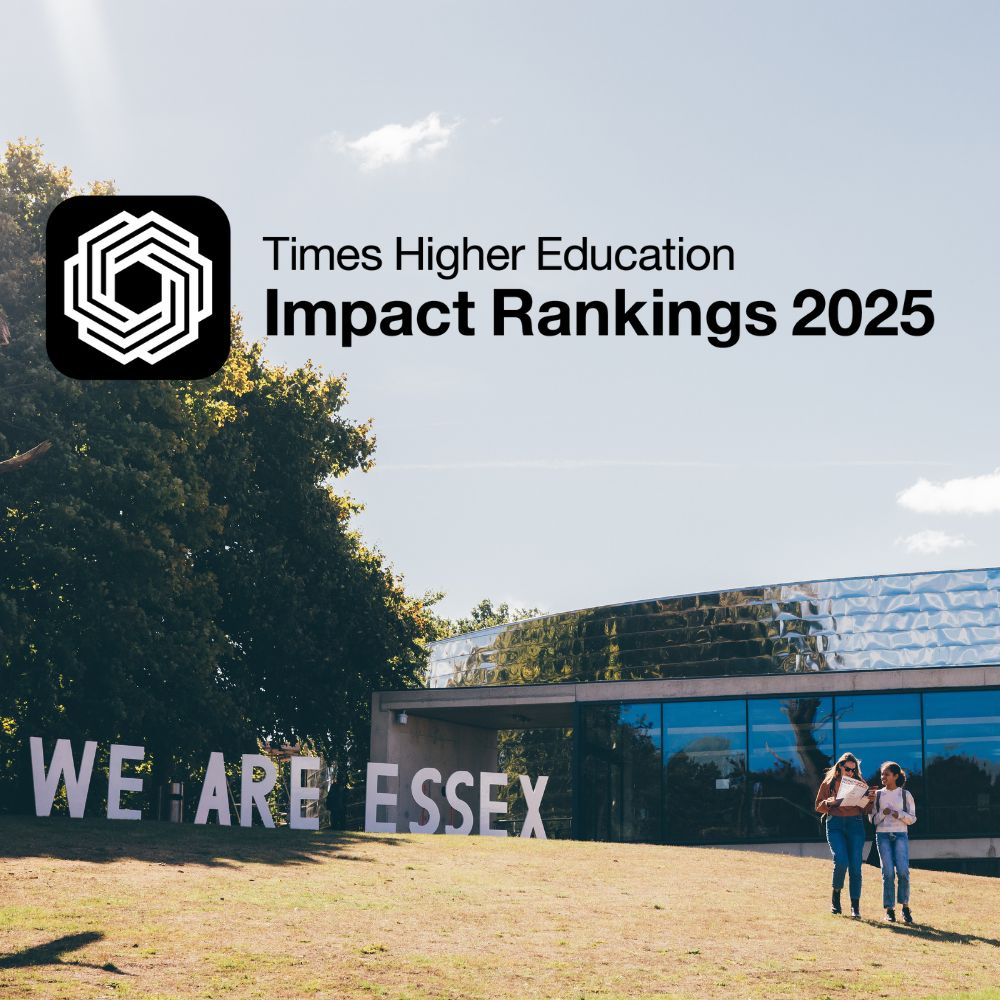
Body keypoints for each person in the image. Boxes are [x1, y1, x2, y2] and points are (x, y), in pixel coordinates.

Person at [815, 752, 873, 918]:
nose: (850, 773)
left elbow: (867, 809)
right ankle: (836, 897)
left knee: (855, 865)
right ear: (840, 766)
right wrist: (829, 803)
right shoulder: (829, 783)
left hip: (855, 824)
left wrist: (869, 799)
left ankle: (855, 906)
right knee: (841, 860)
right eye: (847, 769)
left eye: (853, 770)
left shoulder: (861, 783)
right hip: (835, 824)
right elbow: (818, 806)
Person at [870, 761, 916, 924]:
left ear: (896, 776)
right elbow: (872, 819)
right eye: (882, 774)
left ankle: (905, 907)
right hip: (882, 835)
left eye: (886, 774)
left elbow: (912, 819)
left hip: (900, 835)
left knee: (903, 871)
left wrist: (899, 815)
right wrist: (883, 813)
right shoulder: (877, 795)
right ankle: (889, 909)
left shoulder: (905, 795)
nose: (883, 777)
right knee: (887, 872)